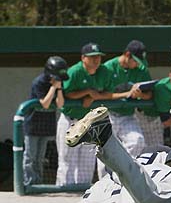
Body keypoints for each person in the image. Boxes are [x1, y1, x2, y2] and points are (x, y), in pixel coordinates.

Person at [57, 43, 113, 186]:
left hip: (89, 122)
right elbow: (66, 94)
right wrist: (87, 92)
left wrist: (93, 96)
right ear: (83, 58)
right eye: (92, 57)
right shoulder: (74, 71)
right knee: (67, 158)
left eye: (98, 57)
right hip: (71, 120)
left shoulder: (104, 71)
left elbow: (107, 92)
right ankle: (64, 191)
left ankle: (82, 192)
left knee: (87, 161)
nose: (96, 60)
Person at [100, 40, 151, 175]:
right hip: (107, 114)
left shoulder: (140, 69)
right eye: (135, 60)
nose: (137, 64)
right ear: (127, 55)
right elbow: (100, 94)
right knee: (103, 150)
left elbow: (150, 94)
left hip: (128, 115)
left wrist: (140, 95)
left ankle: (122, 174)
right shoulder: (108, 67)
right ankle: (103, 185)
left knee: (137, 141)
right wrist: (127, 93)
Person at [23, 56, 65, 186]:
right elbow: (45, 104)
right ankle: (28, 183)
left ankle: (38, 183)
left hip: (46, 125)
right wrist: (53, 87)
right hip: (33, 125)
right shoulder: (39, 82)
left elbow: (60, 104)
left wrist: (58, 88)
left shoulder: (59, 83)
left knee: (40, 158)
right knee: (30, 157)